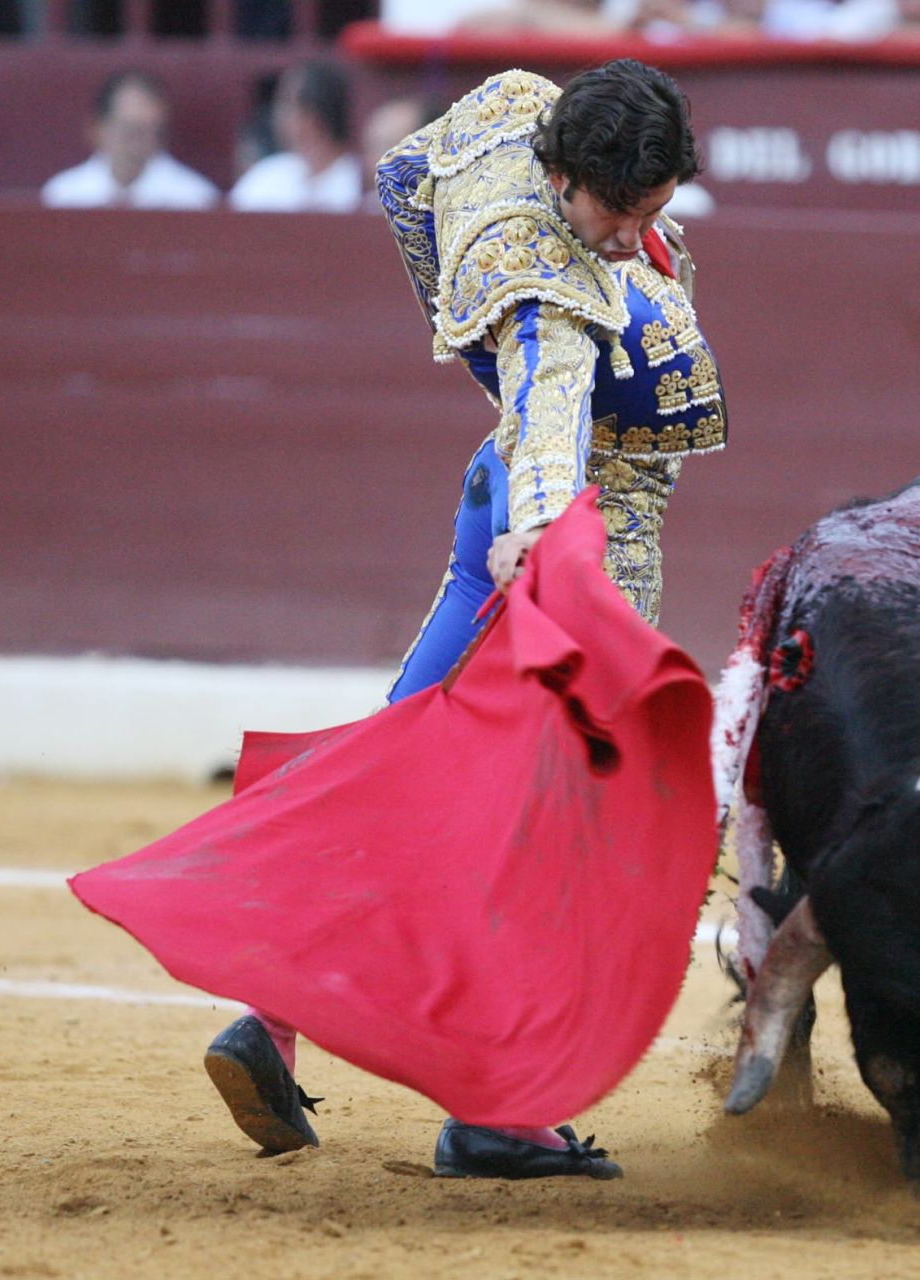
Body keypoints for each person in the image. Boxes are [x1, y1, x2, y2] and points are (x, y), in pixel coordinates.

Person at [202, 60, 723, 1180]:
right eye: (618, 214)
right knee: (551, 829)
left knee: (395, 759)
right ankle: (500, 1110)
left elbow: (400, 177)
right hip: (575, 535)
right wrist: (545, 541)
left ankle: (273, 1015)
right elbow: (547, 408)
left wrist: (460, 313)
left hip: (501, 502)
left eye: (653, 210)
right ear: (565, 176)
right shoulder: (549, 292)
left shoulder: (514, 110)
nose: (632, 238)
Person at [41, 72, 219, 211]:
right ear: (97, 129)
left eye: (148, 131)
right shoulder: (63, 195)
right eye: (129, 131)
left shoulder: (194, 197)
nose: (137, 144)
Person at [227, 59, 361, 213]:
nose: (278, 115)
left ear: (313, 116)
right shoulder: (267, 175)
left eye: (287, 104)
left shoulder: (359, 181)